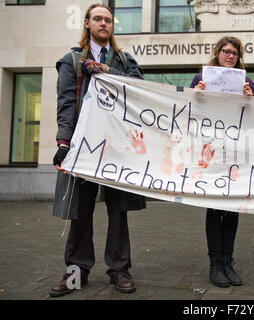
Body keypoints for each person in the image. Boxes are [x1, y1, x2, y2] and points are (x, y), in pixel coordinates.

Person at [49, 3, 146, 297]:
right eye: (98, 19)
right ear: (87, 23)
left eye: (108, 20)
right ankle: (76, 271)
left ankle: (119, 269)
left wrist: (106, 71)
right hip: (83, 148)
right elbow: (66, 104)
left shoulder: (125, 61)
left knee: (119, 212)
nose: (104, 23)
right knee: (80, 211)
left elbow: (140, 91)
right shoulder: (72, 60)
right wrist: (64, 142)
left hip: (117, 148)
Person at [190, 36, 254, 288]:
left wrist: (251, 98)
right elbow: (190, 113)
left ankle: (228, 261)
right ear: (217, 53)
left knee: (232, 208)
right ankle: (215, 263)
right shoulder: (201, 80)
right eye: (226, 52)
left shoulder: (246, 82)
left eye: (235, 53)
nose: (230, 56)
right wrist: (194, 95)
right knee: (214, 207)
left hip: (236, 153)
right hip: (212, 154)